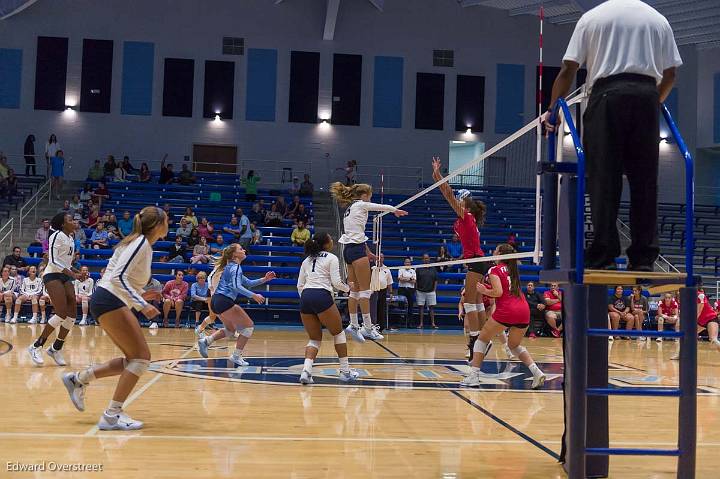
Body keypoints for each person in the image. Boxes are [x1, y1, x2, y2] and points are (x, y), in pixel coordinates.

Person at [544, 0, 682, 271]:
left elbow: (568, 70)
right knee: (645, 182)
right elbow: (671, 74)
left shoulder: (593, 18)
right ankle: (644, 258)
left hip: (607, 96)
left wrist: (553, 110)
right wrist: (654, 103)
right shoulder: (658, 19)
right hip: (646, 96)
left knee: (603, 179)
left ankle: (604, 252)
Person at [61, 206, 168, 431]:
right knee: (141, 359)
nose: (169, 223)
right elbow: (118, 277)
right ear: (158, 225)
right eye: (166, 220)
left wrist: (141, 296)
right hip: (109, 299)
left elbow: (119, 277)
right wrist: (142, 304)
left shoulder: (140, 243)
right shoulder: (140, 243)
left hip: (108, 299)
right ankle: (111, 415)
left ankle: (78, 379)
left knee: (133, 359)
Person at [461, 244, 546, 388]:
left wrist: (484, 290)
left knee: (481, 339)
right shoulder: (513, 270)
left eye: (495, 250)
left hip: (508, 309)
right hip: (523, 309)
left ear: (500, 254)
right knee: (514, 345)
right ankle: (537, 372)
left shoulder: (494, 269)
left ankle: (474, 376)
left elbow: (498, 292)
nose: (493, 252)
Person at [331, 182, 407, 342]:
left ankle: (353, 324)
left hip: (349, 250)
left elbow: (356, 234)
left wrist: (369, 253)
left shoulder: (349, 209)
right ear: (364, 195)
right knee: (366, 291)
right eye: (369, 195)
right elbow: (380, 206)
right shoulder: (360, 205)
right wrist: (394, 210)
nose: (370, 198)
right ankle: (367, 327)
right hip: (357, 251)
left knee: (355, 291)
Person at [432, 157, 488, 361]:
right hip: (478, 260)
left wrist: (438, 175)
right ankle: (483, 339)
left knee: (470, 304)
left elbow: (447, 193)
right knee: (478, 303)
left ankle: (475, 342)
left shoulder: (465, 215)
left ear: (464, 202)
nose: (455, 200)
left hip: (475, 261)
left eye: (458, 198)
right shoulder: (467, 218)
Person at [197, 244, 276, 365]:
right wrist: (253, 295)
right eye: (241, 249)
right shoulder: (235, 268)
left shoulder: (231, 267)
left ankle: (206, 341)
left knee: (230, 330)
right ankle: (236, 356)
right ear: (234, 255)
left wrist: (264, 279)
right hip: (224, 300)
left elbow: (248, 283)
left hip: (216, 301)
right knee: (248, 327)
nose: (244, 250)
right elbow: (237, 286)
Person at [297, 232, 358, 384]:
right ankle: (345, 372)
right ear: (326, 243)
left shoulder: (307, 260)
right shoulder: (332, 258)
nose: (333, 240)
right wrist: (348, 288)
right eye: (331, 238)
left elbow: (299, 285)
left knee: (314, 339)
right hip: (321, 295)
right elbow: (337, 283)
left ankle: (306, 371)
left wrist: (308, 299)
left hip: (305, 296)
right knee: (338, 334)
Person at [27, 213, 78, 367]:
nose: (73, 221)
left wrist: (78, 273)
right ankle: (36, 346)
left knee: (72, 315)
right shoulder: (56, 235)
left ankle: (56, 348)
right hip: (52, 275)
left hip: (64, 275)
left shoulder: (71, 238)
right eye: (70, 220)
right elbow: (54, 260)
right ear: (63, 224)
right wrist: (73, 274)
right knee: (61, 312)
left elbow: (66, 263)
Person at [415, 254, 438, 329]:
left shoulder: (433, 268)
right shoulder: (418, 269)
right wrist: (417, 289)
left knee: (431, 308)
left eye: (427, 258)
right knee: (421, 308)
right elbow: (416, 280)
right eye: (424, 258)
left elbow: (436, 280)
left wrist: (434, 289)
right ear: (422, 259)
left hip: (431, 291)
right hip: (420, 291)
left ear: (429, 259)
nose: (426, 259)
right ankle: (421, 323)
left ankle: (433, 323)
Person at [397, 258, 416, 324]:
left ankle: (409, 322)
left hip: (410, 290)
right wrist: (410, 278)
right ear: (404, 263)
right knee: (401, 305)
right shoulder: (401, 269)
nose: (407, 263)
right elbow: (400, 279)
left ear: (410, 263)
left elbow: (414, 281)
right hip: (402, 289)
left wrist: (404, 278)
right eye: (406, 262)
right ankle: (401, 321)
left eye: (409, 262)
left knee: (410, 305)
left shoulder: (413, 271)